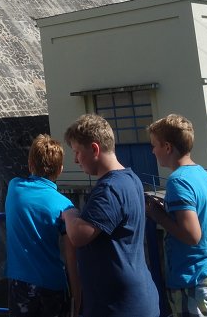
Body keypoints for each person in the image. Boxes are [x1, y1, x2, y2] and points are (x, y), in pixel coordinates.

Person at [64, 114, 159, 317]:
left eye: (77, 152)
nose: (75, 160)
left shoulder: (110, 188)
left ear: (95, 149)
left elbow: (78, 235)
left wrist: (69, 213)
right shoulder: (130, 179)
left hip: (119, 305)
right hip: (135, 298)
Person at [144, 115, 207, 317]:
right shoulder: (203, 175)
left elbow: (192, 235)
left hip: (195, 280)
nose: (152, 151)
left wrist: (157, 215)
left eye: (154, 145)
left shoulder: (178, 181)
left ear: (167, 147)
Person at [5, 134, 74, 317]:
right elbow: (71, 255)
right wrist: (76, 293)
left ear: (30, 164)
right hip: (53, 283)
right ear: (60, 169)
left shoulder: (14, 188)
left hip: (20, 282)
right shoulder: (64, 205)